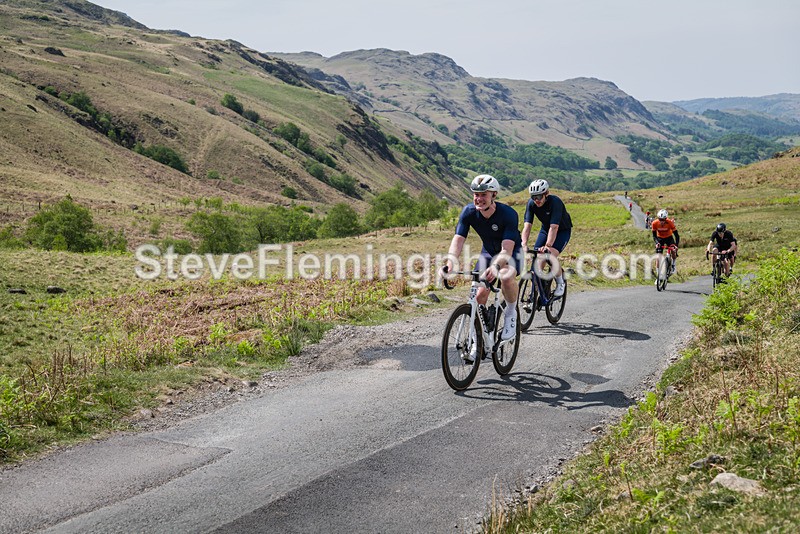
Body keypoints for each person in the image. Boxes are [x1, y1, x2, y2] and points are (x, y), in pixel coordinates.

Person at [440, 174, 522, 352]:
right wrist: (451, 263)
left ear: (494, 195)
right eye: (476, 194)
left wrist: (496, 266)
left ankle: (511, 313)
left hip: (511, 252)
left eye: (484, 194)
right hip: (488, 252)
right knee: (479, 295)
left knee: (506, 276)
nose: (479, 198)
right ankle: (481, 337)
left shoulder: (508, 214)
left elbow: (506, 250)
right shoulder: (469, 212)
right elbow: (458, 240)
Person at [521, 179, 572, 298]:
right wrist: (524, 244)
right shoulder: (531, 204)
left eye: (539, 196)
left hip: (562, 230)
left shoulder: (555, 202)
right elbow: (527, 226)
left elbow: (554, 227)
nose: (536, 200)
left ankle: (560, 282)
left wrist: (548, 246)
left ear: (546, 194)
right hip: (545, 229)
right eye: (533, 197)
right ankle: (535, 292)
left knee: (549, 255)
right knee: (537, 261)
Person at [651, 209, 680, 274]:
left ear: (666, 219)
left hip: (669, 238)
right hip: (660, 238)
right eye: (660, 219)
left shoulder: (669, 222)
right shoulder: (654, 223)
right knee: (658, 256)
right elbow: (654, 236)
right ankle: (658, 275)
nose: (661, 221)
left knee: (673, 251)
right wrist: (657, 243)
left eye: (663, 219)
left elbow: (677, 235)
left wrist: (676, 245)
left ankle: (673, 264)